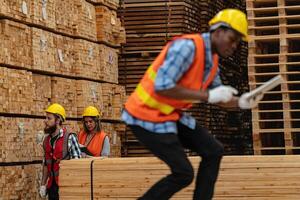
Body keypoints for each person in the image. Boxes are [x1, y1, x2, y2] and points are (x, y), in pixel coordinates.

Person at [122, 9, 261, 200]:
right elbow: (162, 86)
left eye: (238, 42)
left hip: (169, 114)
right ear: (218, 31)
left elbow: (219, 97)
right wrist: (208, 95)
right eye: (233, 38)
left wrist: (242, 102)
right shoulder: (187, 48)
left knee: (213, 151)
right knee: (183, 173)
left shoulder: (212, 61)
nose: (235, 46)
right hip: (144, 115)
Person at [39, 103, 81, 200]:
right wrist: (43, 184)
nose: (45, 121)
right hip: (52, 187)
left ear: (58, 120)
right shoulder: (46, 141)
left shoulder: (70, 137)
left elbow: (77, 165)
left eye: (49, 118)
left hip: (67, 187)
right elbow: (46, 164)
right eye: (46, 118)